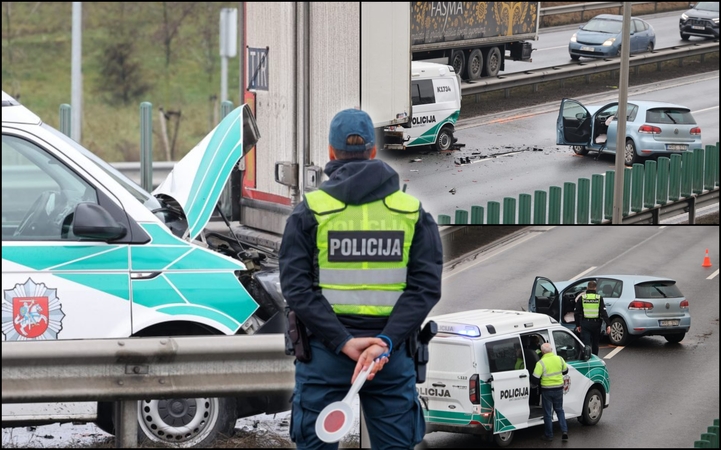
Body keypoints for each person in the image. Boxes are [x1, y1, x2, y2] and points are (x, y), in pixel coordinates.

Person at [278, 108, 444, 450]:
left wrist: (342, 341)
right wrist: (384, 341)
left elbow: (297, 288)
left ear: (330, 152)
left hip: (325, 354)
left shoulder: (310, 211)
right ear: (373, 151)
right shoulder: (412, 214)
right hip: (390, 357)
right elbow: (424, 288)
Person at [531, 343, 569, 442]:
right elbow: (565, 371)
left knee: (547, 413)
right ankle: (564, 431)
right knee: (560, 410)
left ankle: (549, 435)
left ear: (542, 351)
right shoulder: (559, 359)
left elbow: (535, 379)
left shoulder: (541, 363)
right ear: (551, 350)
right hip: (559, 389)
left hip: (547, 390)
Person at [574, 280, 611, 356]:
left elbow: (577, 313)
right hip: (596, 324)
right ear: (595, 288)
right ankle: (595, 358)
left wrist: (578, 325)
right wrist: (608, 325)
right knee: (595, 343)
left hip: (585, 324)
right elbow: (603, 312)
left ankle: (587, 358)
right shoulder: (599, 298)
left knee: (586, 344)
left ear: (587, 288)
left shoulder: (582, 298)